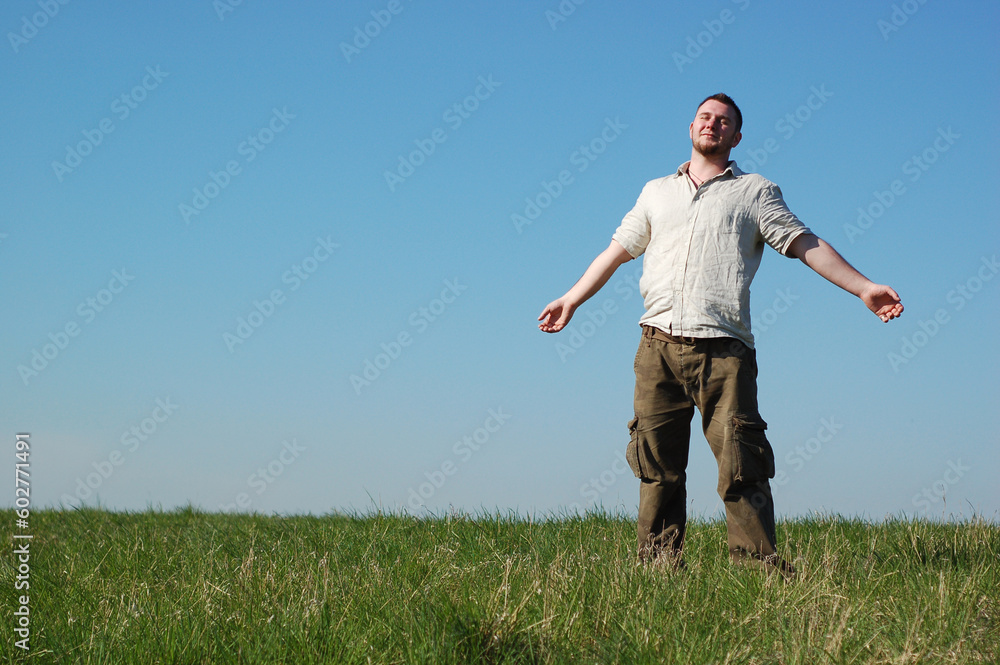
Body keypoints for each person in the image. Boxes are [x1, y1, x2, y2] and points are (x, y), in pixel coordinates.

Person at [537, 93, 903, 575]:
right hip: (657, 347)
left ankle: (758, 571)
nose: (713, 124)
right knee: (657, 469)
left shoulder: (755, 191)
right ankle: (658, 570)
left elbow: (805, 243)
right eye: (706, 117)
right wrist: (572, 298)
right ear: (691, 127)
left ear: (737, 136)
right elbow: (616, 251)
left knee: (741, 466)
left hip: (725, 352)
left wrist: (863, 288)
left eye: (724, 120)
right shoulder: (655, 191)